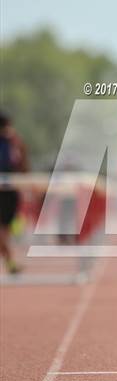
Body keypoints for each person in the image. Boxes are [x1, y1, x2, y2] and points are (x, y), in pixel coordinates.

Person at [0, 112, 29, 273]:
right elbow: (21, 163)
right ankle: (10, 263)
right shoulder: (12, 142)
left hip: (10, 189)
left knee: (5, 229)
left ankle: (10, 263)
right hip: (7, 190)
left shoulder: (12, 142)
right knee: (4, 229)